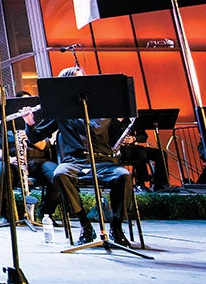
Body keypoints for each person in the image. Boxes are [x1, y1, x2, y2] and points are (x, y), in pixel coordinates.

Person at [31, 66, 135, 247]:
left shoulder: (102, 106)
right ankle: (84, 225)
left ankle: (116, 226)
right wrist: (30, 124)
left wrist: (65, 114)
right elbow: (36, 136)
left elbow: (93, 127)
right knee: (59, 174)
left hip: (103, 159)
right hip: (74, 161)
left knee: (124, 176)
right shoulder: (59, 110)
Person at [0, 93, 59, 223]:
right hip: (10, 161)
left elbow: (44, 146)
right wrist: (8, 159)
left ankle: (45, 212)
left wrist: (30, 133)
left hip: (37, 161)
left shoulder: (37, 122)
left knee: (57, 174)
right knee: (0, 170)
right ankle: (4, 213)